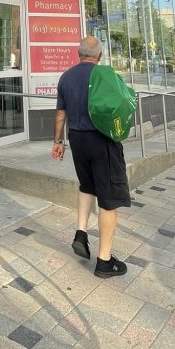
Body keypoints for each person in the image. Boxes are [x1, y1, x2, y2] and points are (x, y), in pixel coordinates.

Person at [51, 36, 130, 278]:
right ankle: (104, 261)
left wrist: (58, 142)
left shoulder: (66, 77)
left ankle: (81, 233)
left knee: (87, 186)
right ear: (100, 56)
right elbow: (122, 104)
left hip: (77, 139)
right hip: (101, 141)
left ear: (78, 53)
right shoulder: (104, 75)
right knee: (108, 200)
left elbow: (60, 115)